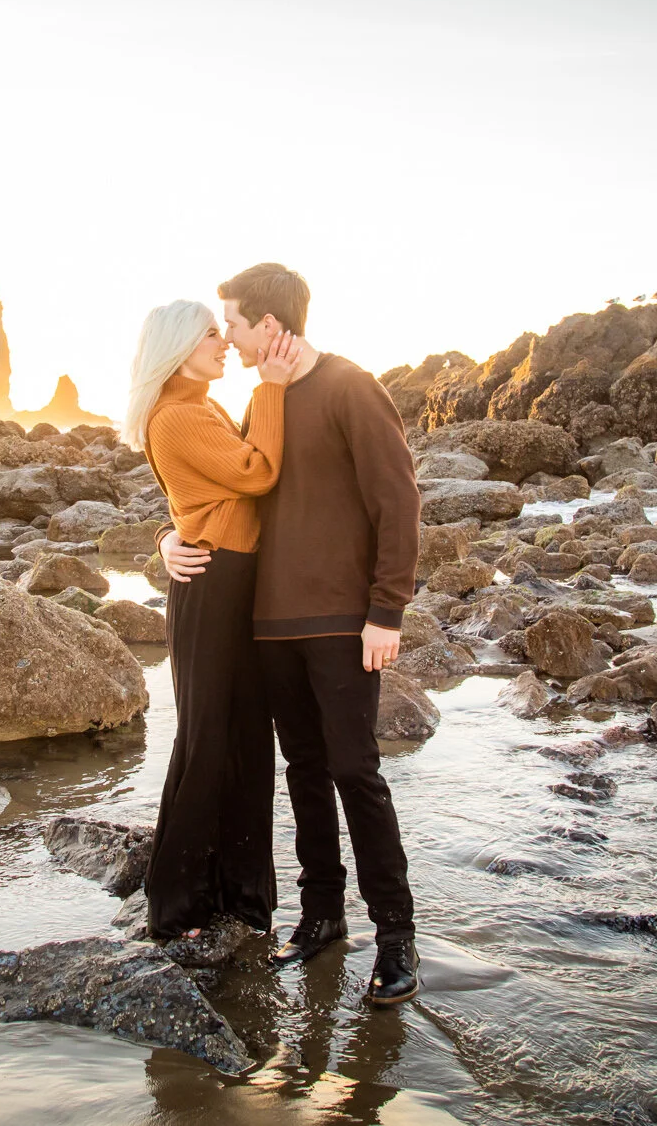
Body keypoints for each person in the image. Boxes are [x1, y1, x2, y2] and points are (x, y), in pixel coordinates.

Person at [160, 263, 424, 1006]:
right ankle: (322, 916)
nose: (231, 340)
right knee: (303, 773)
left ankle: (397, 936)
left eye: (235, 324)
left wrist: (387, 609)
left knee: (355, 772)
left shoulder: (350, 386)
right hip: (269, 626)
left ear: (268, 325)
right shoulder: (261, 402)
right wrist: (166, 540)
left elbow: (397, 501)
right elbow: (228, 493)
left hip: (343, 622)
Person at [124, 299, 303, 940]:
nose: (222, 342)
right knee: (206, 739)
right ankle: (178, 906)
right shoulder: (176, 416)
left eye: (221, 331)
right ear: (178, 348)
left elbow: (195, 499)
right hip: (213, 585)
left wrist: (168, 533)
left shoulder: (201, 408)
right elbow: (256, 474)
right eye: (209, 335)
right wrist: (274, 386)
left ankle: (243, 899)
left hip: (232, 579)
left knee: (248, 739)